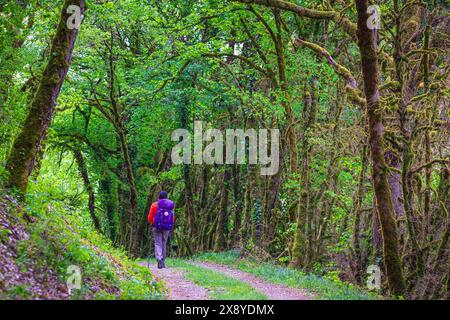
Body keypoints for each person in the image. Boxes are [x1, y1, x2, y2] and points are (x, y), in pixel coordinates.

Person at [148, 191, 175, 269]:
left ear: (158, 197)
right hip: (167, 227)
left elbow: (150, 217)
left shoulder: (155, 205)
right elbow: (172, 218)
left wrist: (153, 223)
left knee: (158, 242)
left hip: (157, 227)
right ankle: (163, 260)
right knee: (164, 242)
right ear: (166, 197)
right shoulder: (170, 205)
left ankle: (159, 259)